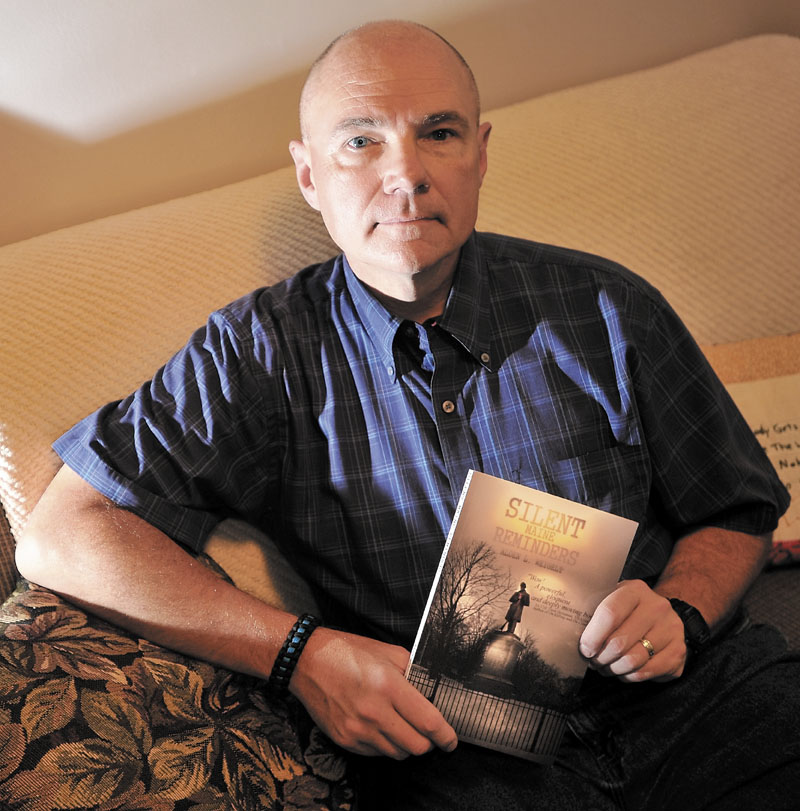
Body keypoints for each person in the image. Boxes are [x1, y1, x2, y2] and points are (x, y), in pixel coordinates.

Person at [15, 19, 799, 810]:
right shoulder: (257, 353)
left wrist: (682, 611)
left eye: (441, 133)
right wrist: (302, 655)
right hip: (459, 754)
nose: (408, 174)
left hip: (701, 705)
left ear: (481, 153)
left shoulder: (607, 306)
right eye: (361, 141)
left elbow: (736, 506)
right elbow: (60, 533)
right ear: (310, 175)